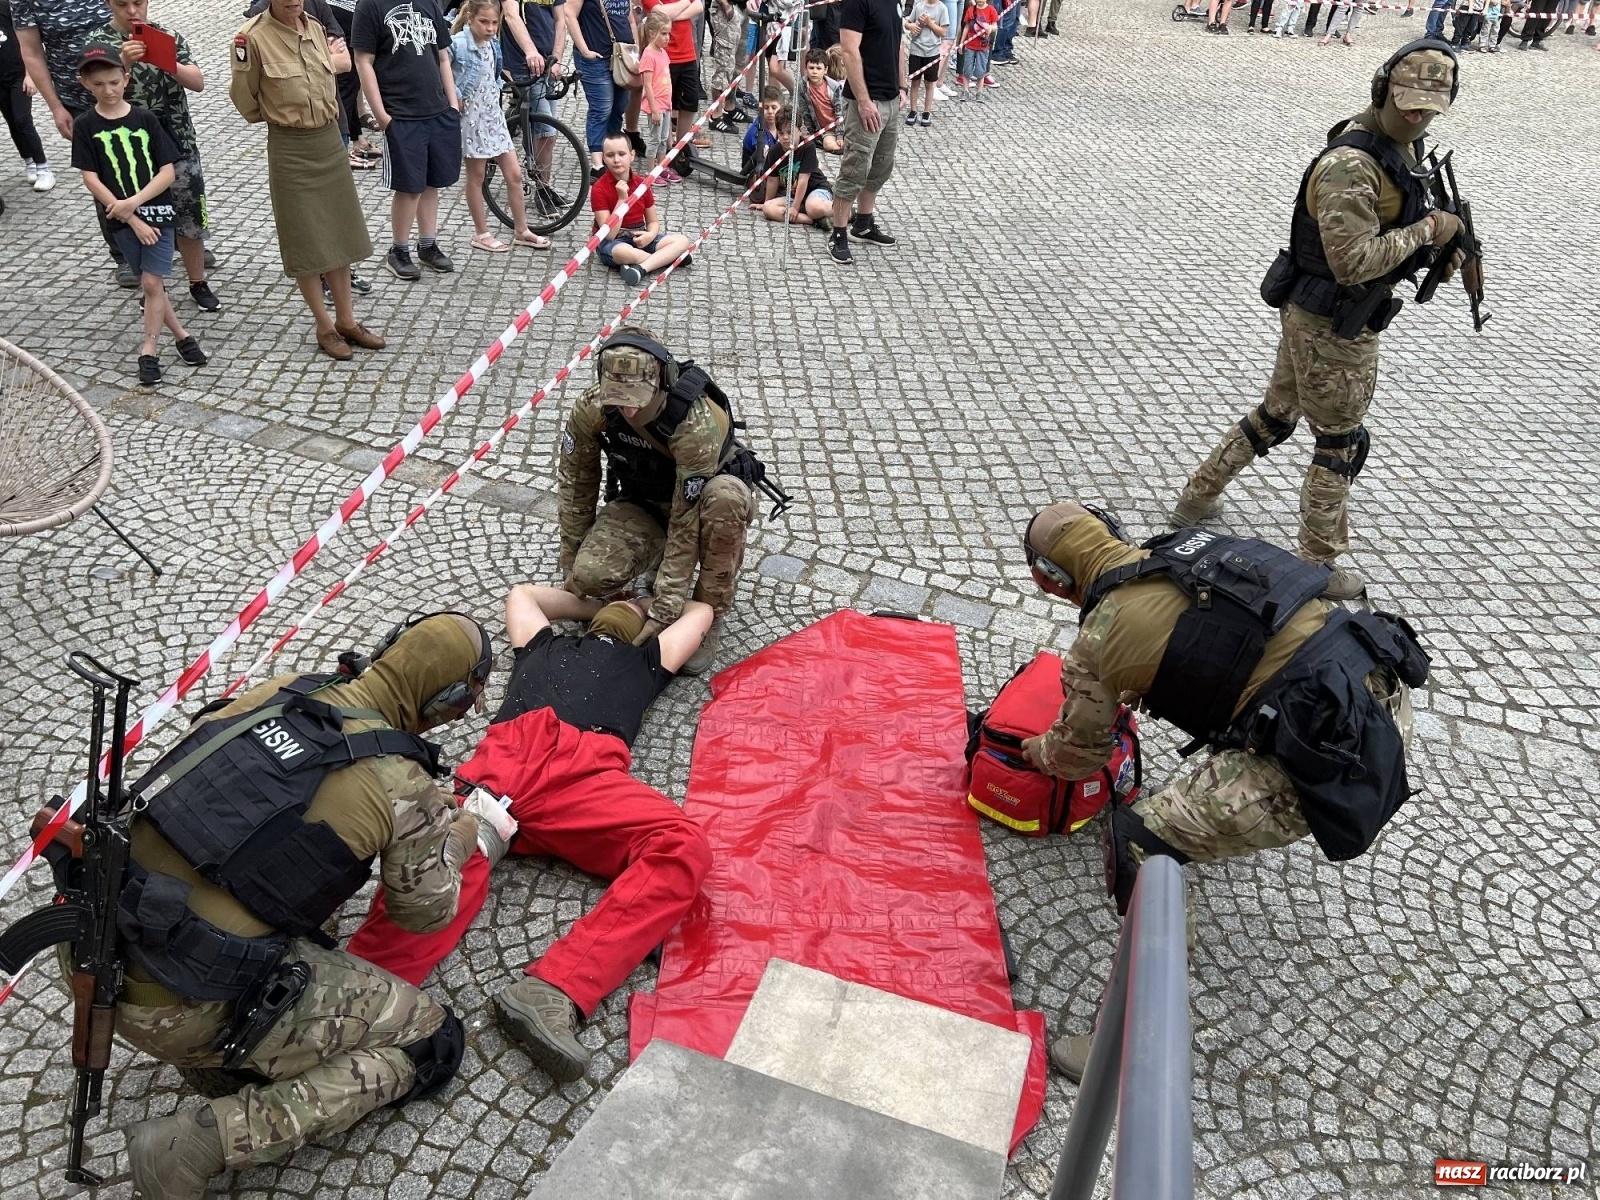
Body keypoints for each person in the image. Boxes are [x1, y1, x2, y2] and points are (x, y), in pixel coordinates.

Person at [1015, 503, 1426, 1084]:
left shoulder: (1099, 633)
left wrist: (1032, 751)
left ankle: (1132, 1043)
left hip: (1327, 755)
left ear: (1053, 579)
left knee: (1139, 838)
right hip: (1377, 689)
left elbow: (1077, 756)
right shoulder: (1184, 550)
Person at [103, 613, 492, 1198]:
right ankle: (199, 1142)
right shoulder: (401, 779)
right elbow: (424, 911)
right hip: (185, 998)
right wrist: (463, 832)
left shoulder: (287, 689)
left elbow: (221, 762)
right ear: (449, 702)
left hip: (96, 940)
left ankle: (227, 1056)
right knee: (428, 1040)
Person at [346, 586, 714, 1083]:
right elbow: (524, 595)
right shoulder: (544, 643)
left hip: (586, 772)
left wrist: (652, 606)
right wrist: (604, 603)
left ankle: (557, 989)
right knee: (451, 856)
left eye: (629, 612)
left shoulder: (646, 659)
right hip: (515, 751)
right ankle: (345, 1005)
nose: (625, 608)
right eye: (619, 607)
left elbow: (701, 612)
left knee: (682, 845)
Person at [1170, 44, 1463, 601]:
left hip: (1322, 317)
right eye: (1408, 106)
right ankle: (1318, 567)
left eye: (1430, 109)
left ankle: (1197, 497)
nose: (1418, 117)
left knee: (1277, 414)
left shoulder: (1399, 147)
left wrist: (1433, 251)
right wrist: (1430, 231)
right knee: (1339, 442)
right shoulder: (1350, 164)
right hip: (1333, 324)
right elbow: (1351, 262)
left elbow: (1392, 232)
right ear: (1383, 91)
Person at [558, 325, 760, 672]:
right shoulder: (592, 408)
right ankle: (650, 558)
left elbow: (686, 519)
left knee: (725, 499)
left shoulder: (694, 424)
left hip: (701, 510)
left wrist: (666, 608)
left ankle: (710, 612)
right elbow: (577, 483)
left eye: (637, 398)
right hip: (645, 503)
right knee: (589, 575)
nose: (628, 410)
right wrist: (571, 559)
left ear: (662, 382)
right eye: (618, 397)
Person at [232, 0, 386, 362]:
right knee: (306, 240)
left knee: (339, 231)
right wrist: (281, 114)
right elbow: (244, 99)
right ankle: (324, 326)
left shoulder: (315, 27)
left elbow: (334, 75)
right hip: (291, 147)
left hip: (329, 141)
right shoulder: (251, 39)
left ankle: (347, 320)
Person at [72, 44, 207, 387]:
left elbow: (167, 171)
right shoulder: (86, 125)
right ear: (85, 84)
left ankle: (149, 351)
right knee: (154, 284)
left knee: (150, 282)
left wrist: (134, 203)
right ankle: (181, 335)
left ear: (126, 79)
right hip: (121, 220)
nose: (108, 89)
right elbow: (90, 177)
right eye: (99, 84)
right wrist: (130, 216)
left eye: (114, 81)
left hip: (158, 211)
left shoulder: (145, 119)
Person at [90, 0, 220, 313]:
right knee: (146, 218)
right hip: (132, 152)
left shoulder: (166, 36)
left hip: (178, 140)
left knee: (190, 216)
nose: (133, 11)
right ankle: (153, 287)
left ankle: (197, 282)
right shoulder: (98, 44)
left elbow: (198, 83)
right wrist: (123, 65)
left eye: (139, 2)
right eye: (123, 4)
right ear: (110, 4)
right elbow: (97, 94)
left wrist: (168, 62)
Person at [12, 0, 136, 281]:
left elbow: (133, 12)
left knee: (157, 163)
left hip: (134, 88)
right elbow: (31, 53)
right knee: (106, 176)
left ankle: (177, 238)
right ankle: (124, 255)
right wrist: (56, 106)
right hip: (80, 101)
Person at [353, 0, 461, 282]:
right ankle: (398, 250)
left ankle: (427, 244)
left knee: (431, 182)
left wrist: (451, 103)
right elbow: (363, 61)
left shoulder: (429, 3)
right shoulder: (370, 6)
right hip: (400, 113)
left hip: (437, 109)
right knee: (409, 186)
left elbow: (442, 56)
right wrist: (383, 116)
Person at [452, 0, 552, 251]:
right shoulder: (459, 44)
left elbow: (494, 72)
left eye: (494, 23)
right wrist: (454, 95)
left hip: (493, 116)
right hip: (472, 119)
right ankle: (481, 232)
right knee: (476, 177)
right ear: (470, 18)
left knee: (515, 173)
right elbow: (443, 71)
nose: (489, 28)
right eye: (484, 22)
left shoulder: (493, 44)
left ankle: (521, 229)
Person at [827, 0, 905, 266]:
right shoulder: (857, 2)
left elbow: (897, 43)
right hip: (866, 102)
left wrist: (902, 85)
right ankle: (838, 233)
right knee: (855, 168)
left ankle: (863, 224)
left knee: (881, 167)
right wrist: (862, 100)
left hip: (891, 99)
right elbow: (849, 51)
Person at [590, 130, 693, 282]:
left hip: (640, 235)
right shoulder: (599, 188)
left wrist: (650, 235)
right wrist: (622, 199)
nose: (616, 160)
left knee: (682, 240)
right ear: (604, 158)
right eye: (610, 155)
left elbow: (653, 222)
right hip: (612, 242)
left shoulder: (642, 184)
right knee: (624, 253)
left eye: (621, 154)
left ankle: (641, 268)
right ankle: (664, 259)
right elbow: (609, 234)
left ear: (632, 155)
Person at [500, 0, 569, 206]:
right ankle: (542, 189)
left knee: (547, 133)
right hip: (523, 64)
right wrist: (531, 51)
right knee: (546, 132)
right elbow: (511, 15)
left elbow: (560, 20)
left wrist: (556, 57)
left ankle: (544, 186)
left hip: (548, 64)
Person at [565, 0, 634, 173]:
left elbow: (630, 18)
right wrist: (585, 51)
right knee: (601, 108)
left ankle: (611, 152)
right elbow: (569, 14)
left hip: (622, 56)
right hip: (595, 58)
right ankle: (597, 163)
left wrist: (636, 48)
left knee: (619, 106)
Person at [638, 0, 703, 180]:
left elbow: (698, 6)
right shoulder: (651, 53)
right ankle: (660, 159)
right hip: (669, 56)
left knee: (690, 100)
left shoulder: (667, 21)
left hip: (687, 51)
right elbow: (659, 12)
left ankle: (678, 148)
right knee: (667, 106)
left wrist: (671, 15)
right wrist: (684, 5)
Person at [0, 0, 50, 191]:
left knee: (22, 120)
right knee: (11, 121)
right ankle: (29, 161)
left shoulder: (7, 7)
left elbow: (29, 42)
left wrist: (30, 75)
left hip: (18, 76)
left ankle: (43, 166)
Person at [756, 108, 832, 228]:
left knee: (813, 207)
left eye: (790, 132)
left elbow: (803, 181)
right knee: (768, 209)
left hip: (816, 190)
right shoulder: (774, 152)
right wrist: (766, 202)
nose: (785, 137)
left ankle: (847, 212)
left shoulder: (807, 147)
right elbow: (772, 180)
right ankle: (815, 221)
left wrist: (795, 208)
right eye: (781, 133)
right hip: (794, 196)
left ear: (800, 131)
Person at [638, 10, 675, 177]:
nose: (668, 37)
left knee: (663, 138)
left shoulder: (663, 52)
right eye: (664, 33)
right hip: (656, 105)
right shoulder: (648, 54)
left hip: (665, 104)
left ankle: (662, 167)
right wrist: (654, 109)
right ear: (652, 33)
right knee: (654, 139)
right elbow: (647, 84)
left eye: (669, 33)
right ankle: (651, 171)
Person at [903, 0, 948, 127]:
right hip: (916, 49)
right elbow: (908, 23)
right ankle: (913, 110)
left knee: (930, 83)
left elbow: (943, 32)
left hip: (932, 51)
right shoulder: (918, 6)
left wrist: (930, 23)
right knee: (915, 81)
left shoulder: (942, 9)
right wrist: (911, 26)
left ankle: (927, 111)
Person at [797, 46, 846, 148]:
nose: (814, 72)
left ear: (825, 69)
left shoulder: (833, 87)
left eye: (818, 68)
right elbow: (804, 110)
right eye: (811, 68)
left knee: (830, 144)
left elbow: (839, 112)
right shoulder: (802, 86)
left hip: (837, 127)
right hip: (821, 129)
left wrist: (840, 135)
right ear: (806, 68)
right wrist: (812, 132)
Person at [739, 82, 782, 180]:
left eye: (774, 107)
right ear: (760, 109)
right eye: (766, 108)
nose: (770, 111)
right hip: (755, 172)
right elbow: (765, 155)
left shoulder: (781, 124)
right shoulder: (757, 129)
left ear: (781, 108)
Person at [958, 0, 998, 101]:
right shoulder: (971, 10)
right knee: (967, 70)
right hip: (970, 46)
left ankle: (979, 92)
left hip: (983, 47)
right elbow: (966, 27)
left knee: (981, 71)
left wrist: (990, 28)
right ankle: (965, 91)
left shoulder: (991, 10)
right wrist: (962, 43)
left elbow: (995, 26)